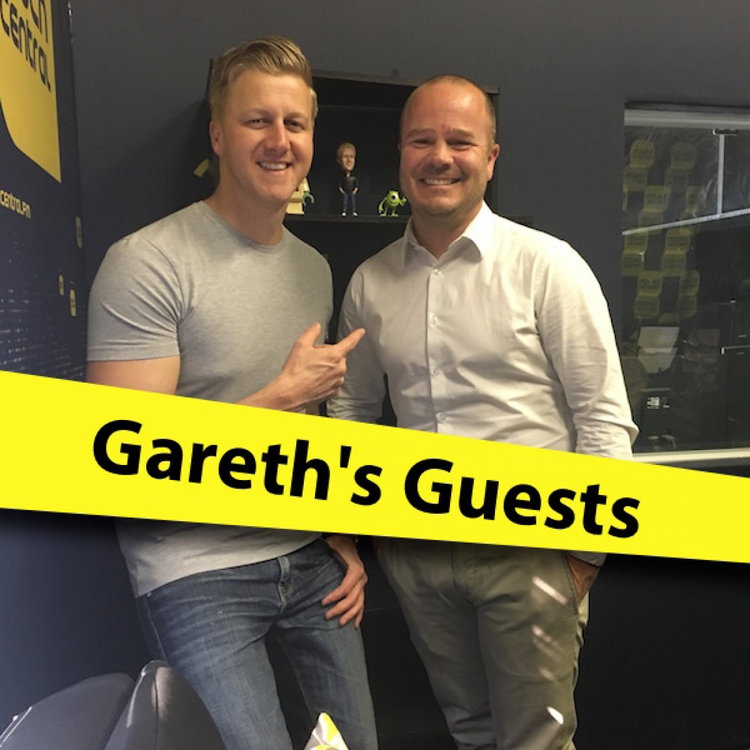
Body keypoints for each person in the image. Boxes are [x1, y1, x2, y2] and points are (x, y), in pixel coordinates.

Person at [328, 74, 638, 750]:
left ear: (491, 158)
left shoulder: (548, 267)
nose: (440, 156)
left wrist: (583, 556)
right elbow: (351, 413)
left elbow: (604, 418)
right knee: (469, 733)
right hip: (419, 555)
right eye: (422, 140)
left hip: (532, 552)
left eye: (460, 141)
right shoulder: (371, 282)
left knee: (536, 742)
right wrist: (358, 534)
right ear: (401, 153)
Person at [87, 36, 377, 750]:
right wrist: (278, 396)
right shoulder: (147, 262)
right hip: (195, 567)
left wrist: (339, 533)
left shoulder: (313, 269)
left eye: (295, 123)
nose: (280, 140)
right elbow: (123, 458)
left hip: (305, 554)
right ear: (218, 135)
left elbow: (308, 431)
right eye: (258, 121)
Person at [337, 142, 359, 216]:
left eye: (351, 156)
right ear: (339, 160)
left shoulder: (353, 178)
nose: (349, 160)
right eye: (345, 156)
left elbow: (356, 185)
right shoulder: (341, 179)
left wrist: (354, 191)